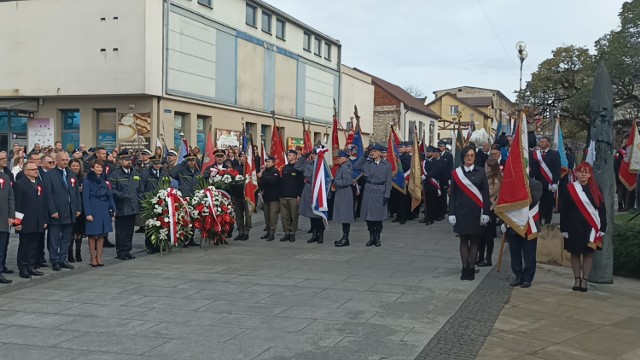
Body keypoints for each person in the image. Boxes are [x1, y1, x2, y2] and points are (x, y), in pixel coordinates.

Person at [560, 162, 607, 292]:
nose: (583, 175)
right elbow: (563, 209)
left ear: (590, 174)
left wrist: (603, 227)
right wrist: (563, 228)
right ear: (576, 173)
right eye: (581, 172)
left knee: (588, 254)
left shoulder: (595, 188)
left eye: (586, 172)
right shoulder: (568, 188)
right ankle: (576, 279)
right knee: (574, 253)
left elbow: (601, 209)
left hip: (590, 227)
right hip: (573, 226)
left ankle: (585, 280)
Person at [448, 145, 491, 281]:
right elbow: (452, 194)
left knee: (474, 240)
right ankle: (464, 267)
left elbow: (486, 194)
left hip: (476, 211)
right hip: (461, 211)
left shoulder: (481, 172)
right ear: (463, 157)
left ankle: (471, 268)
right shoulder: (456, 173)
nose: (470, 158)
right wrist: (451, 213)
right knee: (463, 240)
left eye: (472, 155)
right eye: (467, 155)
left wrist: (486, 212)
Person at [43, 151, 81, 272]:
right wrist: (52, 210)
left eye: (66, 160)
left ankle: (63, 259)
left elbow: (75, 193)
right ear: (57, 161)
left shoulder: (71, 174)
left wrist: (78, 208)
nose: (65, 162)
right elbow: (48, 194)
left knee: (66, 237)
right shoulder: (50, 175)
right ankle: (54, 260)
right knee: (54, 239)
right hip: (57, 213)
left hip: (70, 212)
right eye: (63, 160)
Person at [503, 175, 543, 288]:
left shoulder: (536, 184)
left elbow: (533, 201)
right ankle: (518, 275)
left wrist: (523, 187)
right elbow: (504, 203)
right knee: (514, 252)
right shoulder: (510, 185)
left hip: (529, 223)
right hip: (513, 223)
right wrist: (503, 221)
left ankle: (528, 278)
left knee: (529, 253)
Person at [353, 144, 392, 247]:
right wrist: (365, 155)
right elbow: (355, 166)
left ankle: (378, 237)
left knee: (378, 217)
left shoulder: (386, 165)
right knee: (369, 217)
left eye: (374, 151)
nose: (372, 153)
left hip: (380, 192)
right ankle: (371, 237)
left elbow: (388, 182)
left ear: (380, 153)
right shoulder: (367, 163)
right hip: (369, 191)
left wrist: (387, 195)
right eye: (371, 151)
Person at [14, 162, 47, 279]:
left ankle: (31, 266)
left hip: (37, 220)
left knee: (34, 245)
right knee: (24, 245)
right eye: (33, 169)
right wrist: (17, 223)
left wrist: (44, 220)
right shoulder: (20, 184)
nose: (36, 171)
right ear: (26, 171)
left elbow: (43, 203)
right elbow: (17, 204)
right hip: (26, 221)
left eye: (36, 169)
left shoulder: (39, 184)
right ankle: (23, 268)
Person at [83, 160, 117, 267]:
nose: (99, 169)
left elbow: (109, 195)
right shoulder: (87, 180)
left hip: (103, 207)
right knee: (93, 234)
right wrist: (88, 213)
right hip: (93, 206)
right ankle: (93, 257)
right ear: (92, 168)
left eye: (101, 167)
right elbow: (85, 198)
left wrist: (113, 209)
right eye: (97, 167)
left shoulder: (105, 179)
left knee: (102, 233)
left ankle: (99, 257)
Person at [110, 150, 142, 260]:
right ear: (120, 161)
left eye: (130, 160)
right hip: (121, 207)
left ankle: (128, 250)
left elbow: (140, 189)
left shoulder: (136, 174)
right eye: (126, 160)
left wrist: (139, 199)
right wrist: (122, 195)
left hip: (133, 207)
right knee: (121, 231)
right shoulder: (115, 174)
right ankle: (121, 252)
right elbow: (112, 190)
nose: (129, 162)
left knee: (129, 231)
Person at [296, 149, 326, 244]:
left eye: (316, 154)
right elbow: (297, 166)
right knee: (311, 213)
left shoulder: (322, 165)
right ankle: (314, 234)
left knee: (318, 214)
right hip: (308, 188)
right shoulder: (308, 164)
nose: (314, 156)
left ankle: (320, 234)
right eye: (313, 154)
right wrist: (304, 156)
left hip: (318, 189)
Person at [477, 158, 502, 267]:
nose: (486, 168)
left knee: (488, 236)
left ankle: (488, 258)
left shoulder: (496, 180)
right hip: (481, 208)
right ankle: (480, 256)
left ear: (493, 168)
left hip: (490, 209)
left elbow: (487, 193)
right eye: (485, 166)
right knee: (480, 235)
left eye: (488, 167)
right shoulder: (484, 177)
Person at [530, 136, 561, 224]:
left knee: (548, 204)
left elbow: (557, 169)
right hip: (538, 183)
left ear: (549, 143)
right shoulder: (536, 154)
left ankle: (548, 222)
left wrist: (555, 182)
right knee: (538, 203)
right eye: (541, 141)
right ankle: (538, 222)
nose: (541, 143)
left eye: (544, 141)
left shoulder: (554, 153)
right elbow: (533, 168)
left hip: (549, 183)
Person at [141, 157, 169, 253]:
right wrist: (146, 199)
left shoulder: (164, 173)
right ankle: (150, 246)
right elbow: (142, 188)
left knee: (162, 223)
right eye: (155, 163)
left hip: (162, 202)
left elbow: (167, 185)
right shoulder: (146, 173)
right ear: (152, 163)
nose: (158, 165)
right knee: (150, 225)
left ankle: (160, 244)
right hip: (150, 203)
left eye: (159, 163)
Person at [279, 150, 303, 242]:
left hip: (293, 196)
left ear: (295, 156)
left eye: (290, 155)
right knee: (285, 216)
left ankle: (293, 233)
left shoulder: (298, 168)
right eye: (288, 155)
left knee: (294, 216)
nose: (288, 156)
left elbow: (301, 183)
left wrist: (299, 195)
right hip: (284, 196)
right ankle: (287, 232)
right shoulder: (285, 168)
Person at [332, 150, 355, 247]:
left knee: (345, 216)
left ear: (346, 158)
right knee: (343, 216)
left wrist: (335, 181)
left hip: (345, 193)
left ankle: (346, 238)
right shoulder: (342, 166)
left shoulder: (346, 168)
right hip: (341, 192)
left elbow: (347, 181)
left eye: (340, 158)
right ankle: (344, 237)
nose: (338, 159)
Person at [258, 156, 281, 242]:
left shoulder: (275, 171)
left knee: (273, 215)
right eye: (267, 162)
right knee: (266, 215)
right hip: (266, 197)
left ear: (273, 163)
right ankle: (268, 231)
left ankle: (272, 232)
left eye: (269, 162)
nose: (267, 163)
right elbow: (262, 185)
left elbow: (272, 181)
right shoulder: (264, 172)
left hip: (274, 197)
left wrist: (262, 177)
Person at [68, 158, 86, 263]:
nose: (75, 168)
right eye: (73, 166)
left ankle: (78, 252)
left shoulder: (83, 177)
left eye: (77, 166)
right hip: (71, 207)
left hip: (81, 208)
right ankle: (70, 253)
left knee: (79, 232)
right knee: (71, 233)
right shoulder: (68, 176)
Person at [232, 152, 252, 241]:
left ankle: (246, 232)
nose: (243, 158)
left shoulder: (250, 169)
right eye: (241, 157)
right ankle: (240, 231)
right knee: (238, 215)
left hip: (247, 196)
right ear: (239, 158)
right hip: (238, 195)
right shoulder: (236, 169)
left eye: (244, 156)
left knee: (248, 215)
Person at [0, 167, 15, 283]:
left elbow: (11, 197)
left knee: (1, 248)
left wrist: (11, 215)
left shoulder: (5, 177)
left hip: (3, 219)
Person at [421, 146, 442, 225]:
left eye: (429, 152)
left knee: (431, 202)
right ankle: (426, 216)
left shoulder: (436, 162)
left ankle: (431, 218)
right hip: (425, 185)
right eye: (427, 152)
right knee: (426, 202)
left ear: (433, 153)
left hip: (432, 184)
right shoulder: (424, 162)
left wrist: (426, 177)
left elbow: (435, 171)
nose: (428, 153)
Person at [437, 141, 453, 221]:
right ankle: (437, 212)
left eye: (442, 146)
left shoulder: (449, 156)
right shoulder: (436, 154)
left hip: (444, 179)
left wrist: (450, 179)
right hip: (437, 178)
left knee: (443, 196)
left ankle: (442, 213)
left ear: (444, 147)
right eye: (439, 146)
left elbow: (450, 168)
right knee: (437, 196)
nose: (440, 147)